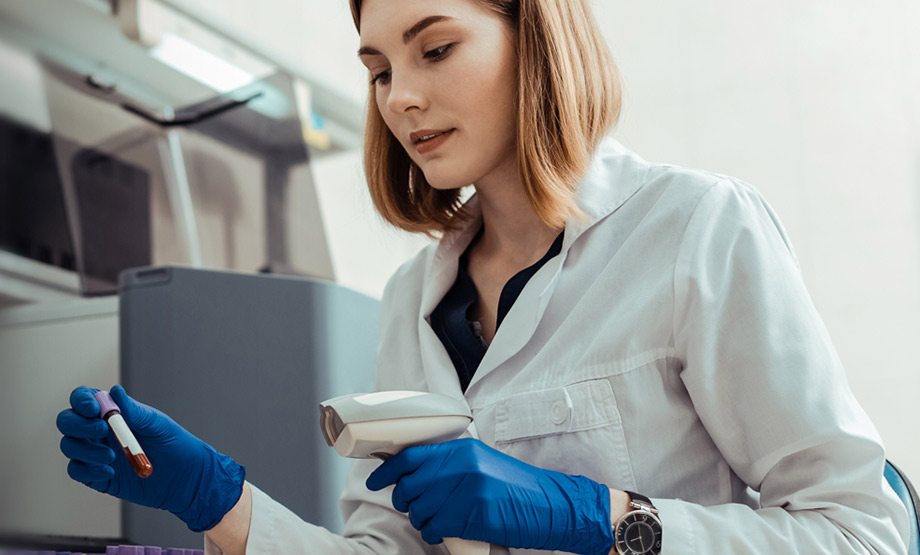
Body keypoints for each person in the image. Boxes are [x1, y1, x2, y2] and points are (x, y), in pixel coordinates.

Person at [56, 0, 910, 553]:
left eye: (435, 48)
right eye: (380, 70)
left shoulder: (694, 228)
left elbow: (863, 531)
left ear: (534, 35)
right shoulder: (411, 300)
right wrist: (217, 499)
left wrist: (600, 517)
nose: (400, 98)